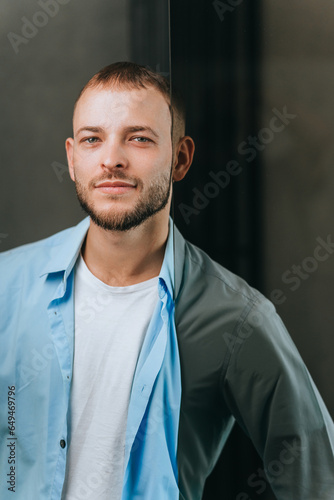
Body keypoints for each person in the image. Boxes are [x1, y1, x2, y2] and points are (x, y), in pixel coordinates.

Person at [0, 62, 333, 500]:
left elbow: (314, 473)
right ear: (72, 158)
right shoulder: (8, 284)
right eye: (92, 139)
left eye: (138, 138)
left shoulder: (235, 317)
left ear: (180, 158)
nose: (112, 158)